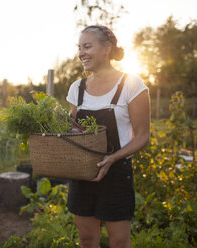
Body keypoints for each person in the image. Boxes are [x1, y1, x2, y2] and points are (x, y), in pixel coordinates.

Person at [66, 25, 150, 248]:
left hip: (116, 174)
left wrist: (111, 159)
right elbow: (70, 129)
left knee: (119, 242)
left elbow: (142, 136)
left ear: (106, 49)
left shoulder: (131, 85)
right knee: (87, 239)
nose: (81, 53)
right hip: (82, 174)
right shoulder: (77, 88)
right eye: (79, 48)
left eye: (87, 46)